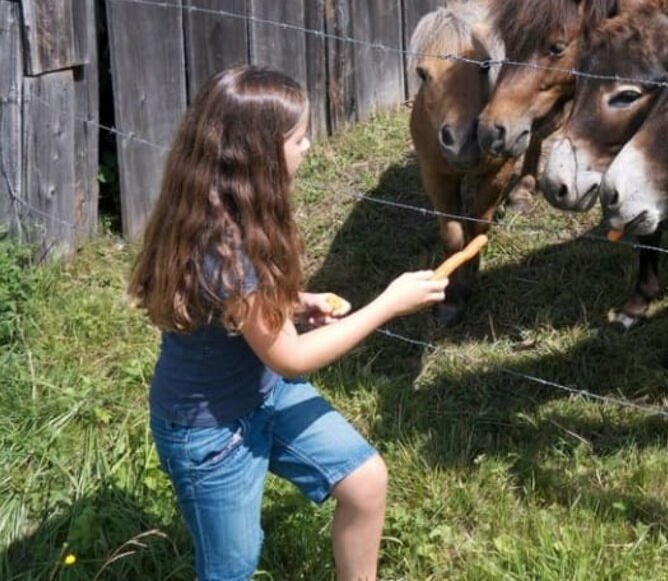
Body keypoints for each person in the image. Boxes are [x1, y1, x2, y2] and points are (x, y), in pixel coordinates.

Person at [127, 65, 447, 581]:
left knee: (364, 482)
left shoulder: (226, 209)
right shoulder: (226, 248)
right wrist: (387, 303)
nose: (309, 147)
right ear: (258, 155)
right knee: (232, 567)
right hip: (211, 435)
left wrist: (295, 302)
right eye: (299, 139)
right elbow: (291, 357)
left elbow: (239, 305)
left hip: (265, 395)